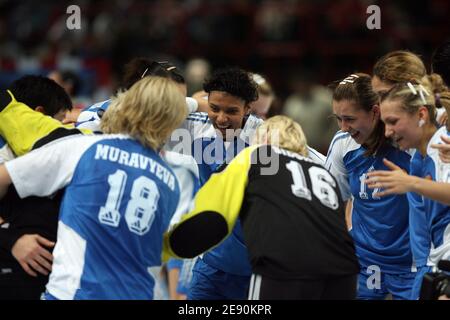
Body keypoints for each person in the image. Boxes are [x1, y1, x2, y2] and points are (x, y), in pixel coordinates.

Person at [0, 76, 187, 299]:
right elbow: (161, 250)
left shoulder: (81, 147)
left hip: (73, 292)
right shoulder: (170, 180)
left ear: (126, 105)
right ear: (174, 122)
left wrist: (8, 237)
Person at [164, 115, 359, 300]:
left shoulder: (255, 155)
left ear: (264, 137)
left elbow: (213, 216)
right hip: (344, 270)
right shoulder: (323, 173)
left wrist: (166, 247)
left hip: (285, 266)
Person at [326, 73, 415, 300]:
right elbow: (331, 199)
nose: (343, 127)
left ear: (375, 112)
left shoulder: (408, 143)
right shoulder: (342, 144)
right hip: (365, 261)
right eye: (338, 118)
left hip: (411, 262)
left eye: (350, 119)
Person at [365, 79, 450, 299]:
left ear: (421, 115)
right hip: (433, 267)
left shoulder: (443, 148)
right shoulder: (417, 160)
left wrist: (411, 183)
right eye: (384, 123)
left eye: (393, 121)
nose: (387, 132)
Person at [76, 58, 200, 132]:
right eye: (172, 101)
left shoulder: (177, 107)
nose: (177, 110)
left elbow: (196, 103)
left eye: (181, 101)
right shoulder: (94, 120)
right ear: (146, 94)